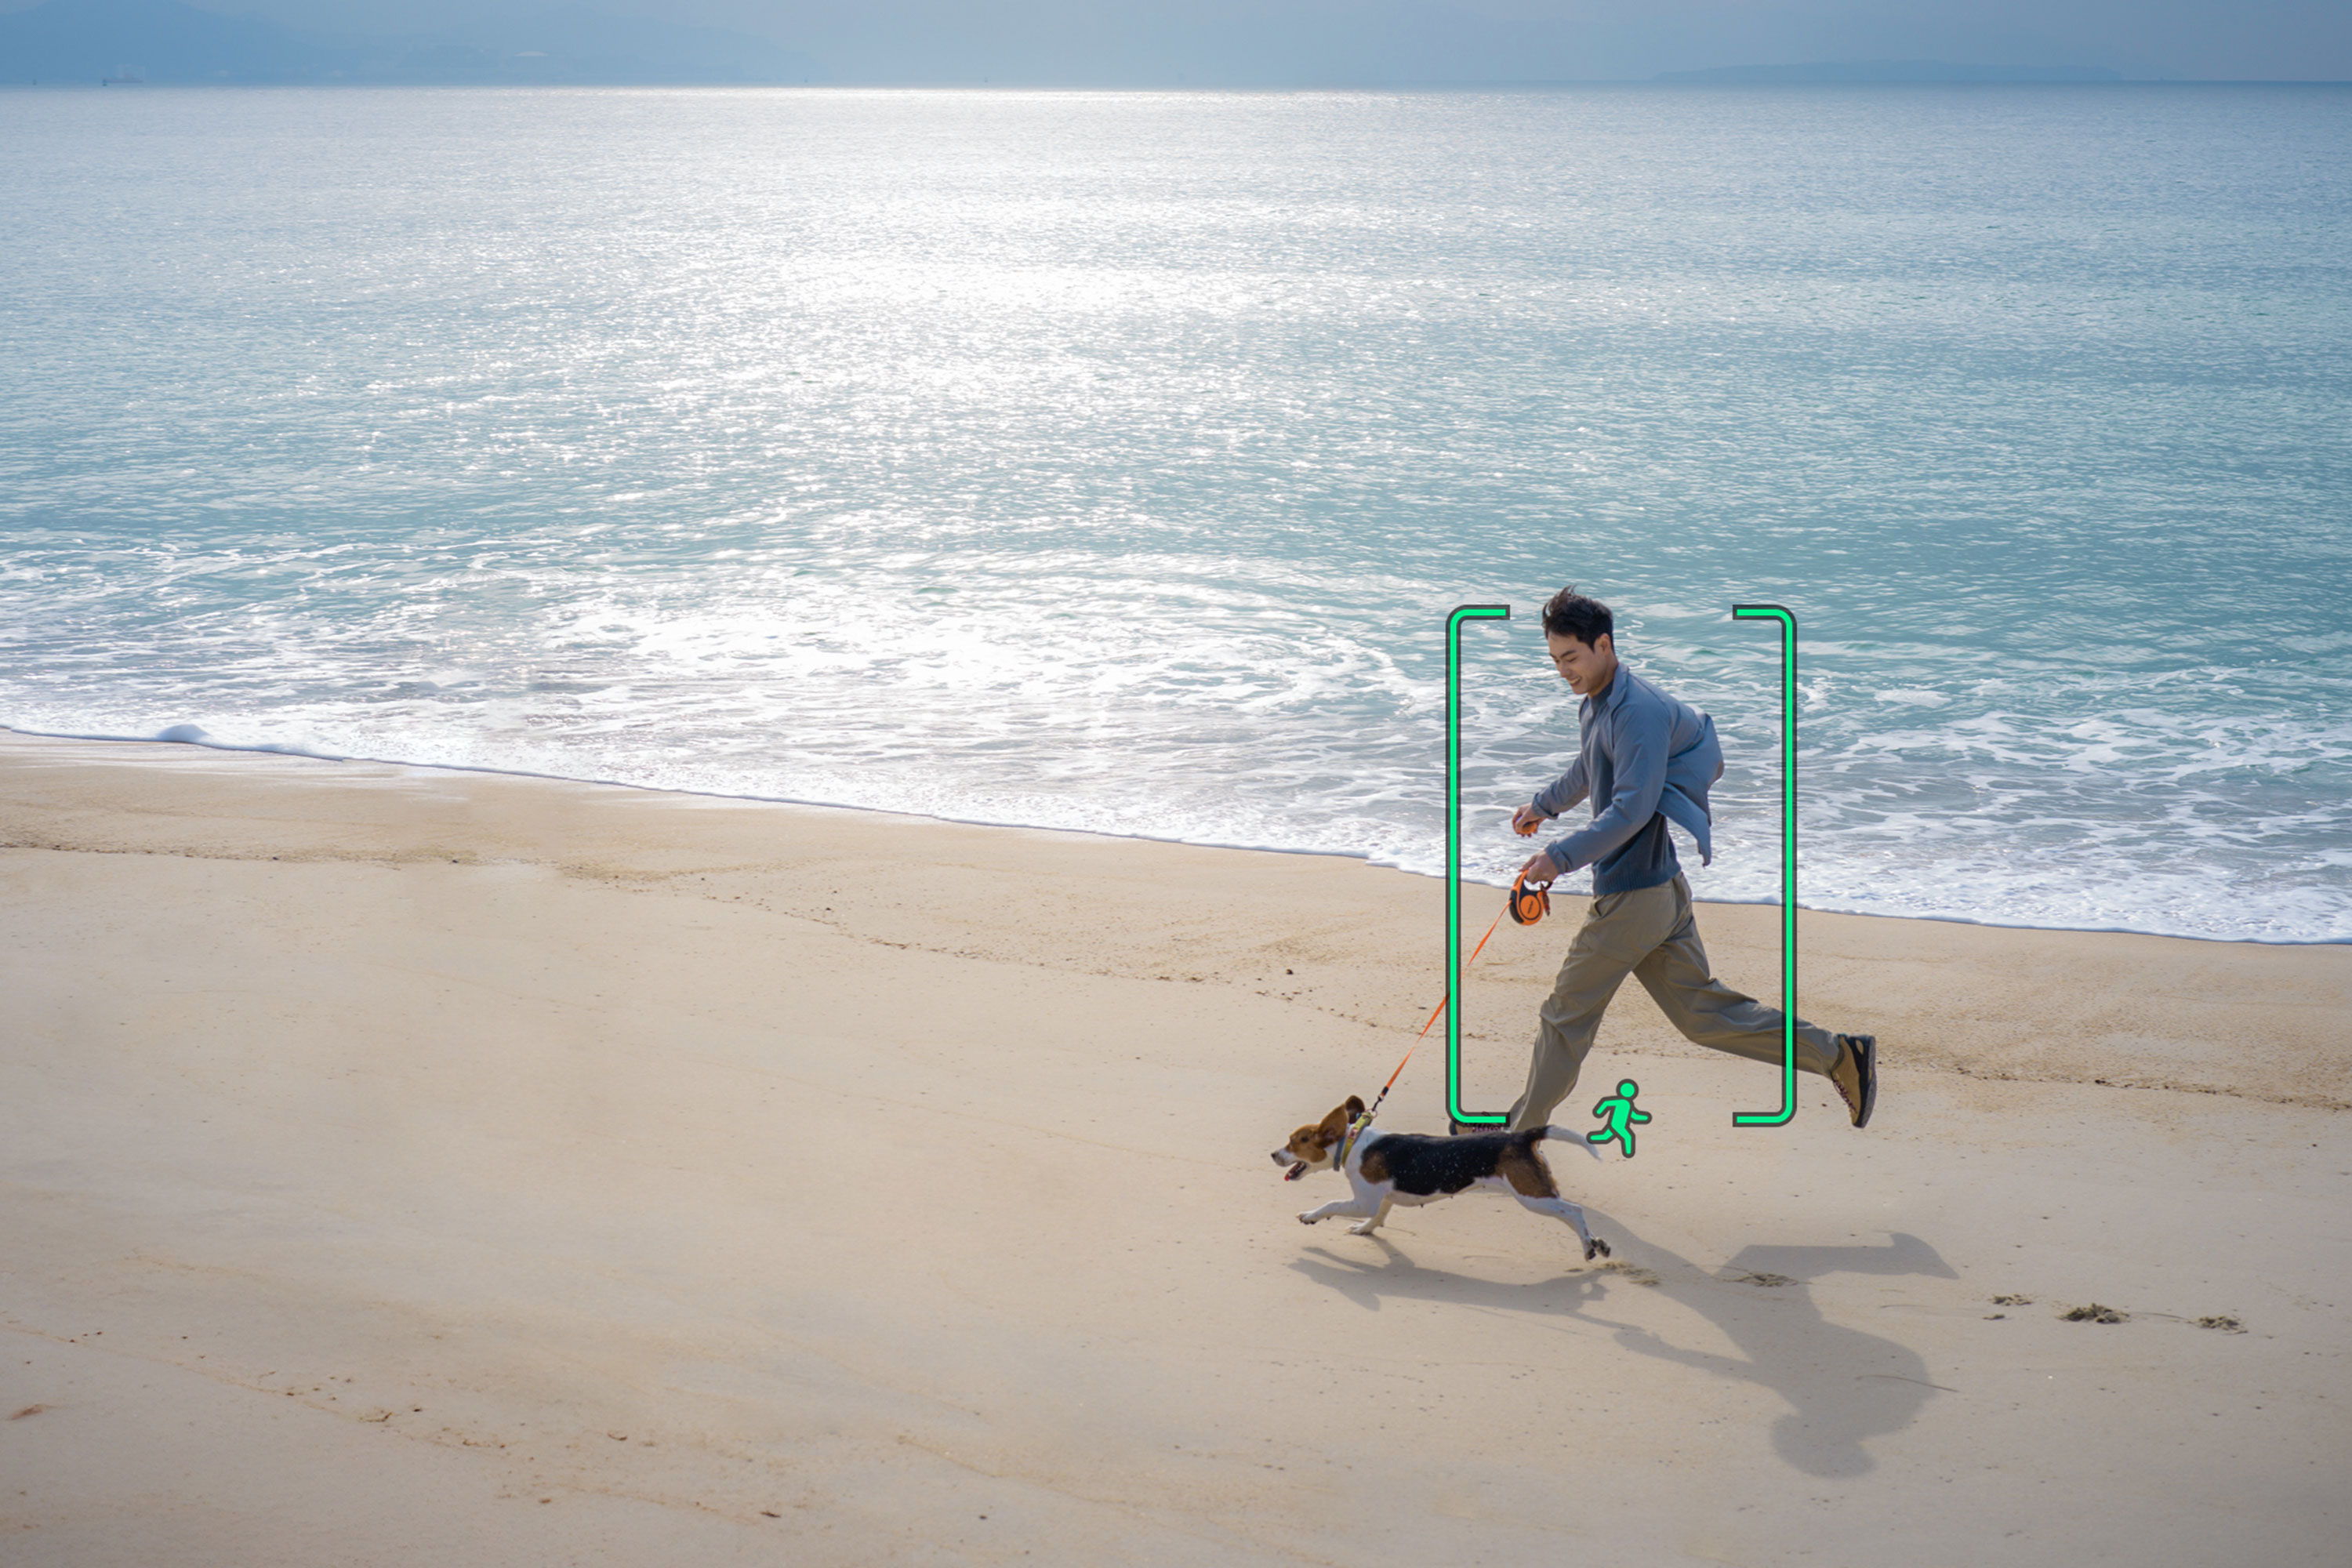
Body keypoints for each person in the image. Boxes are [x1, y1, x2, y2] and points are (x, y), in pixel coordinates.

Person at [1503, 586, 1876, 1133]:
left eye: (1571, 657)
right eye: (1556, 660)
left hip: (1633, 897)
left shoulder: (1638, 711)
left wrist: (1558, 858)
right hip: (1659, 892)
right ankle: (1838, 1054)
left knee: (1565, 1016)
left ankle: (1513, 1142)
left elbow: (1632, 809)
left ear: (1604, 645)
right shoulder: (1598, 704)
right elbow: (1589, 767)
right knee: (1704, 1016)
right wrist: (1543, 805)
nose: (1564, 671)